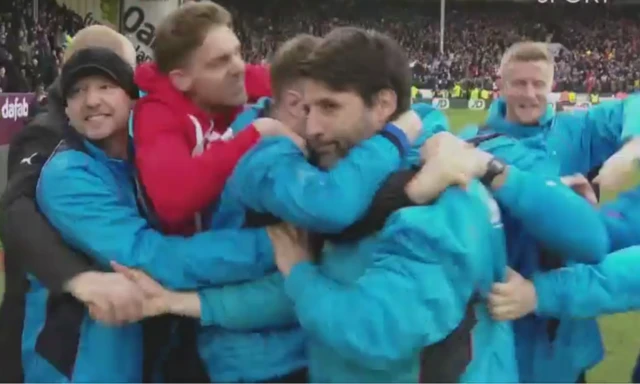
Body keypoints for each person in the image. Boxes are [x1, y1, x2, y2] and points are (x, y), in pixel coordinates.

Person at [463, 41, 640, 383]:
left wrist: (630, 149)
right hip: (506, 320)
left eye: (538, 84)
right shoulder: (474, 144)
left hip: (567, 333)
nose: (529, 94)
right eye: (519, 83)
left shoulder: (572, 131)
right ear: (499, 84)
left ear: (552, 86)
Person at [0, 25, 140, 383]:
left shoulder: (124, 134)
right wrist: (77, 278)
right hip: (47, 326)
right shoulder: (46, 133)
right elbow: (15, 209)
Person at [132, 1, 284, 235]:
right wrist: (254, 135)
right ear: (181, 79)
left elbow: (302, 79)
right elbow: (174, 198)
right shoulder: (156, 114)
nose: (239, 68)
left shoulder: (237, 79)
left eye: (237, 53)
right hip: (194, 256)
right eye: (220, 61)